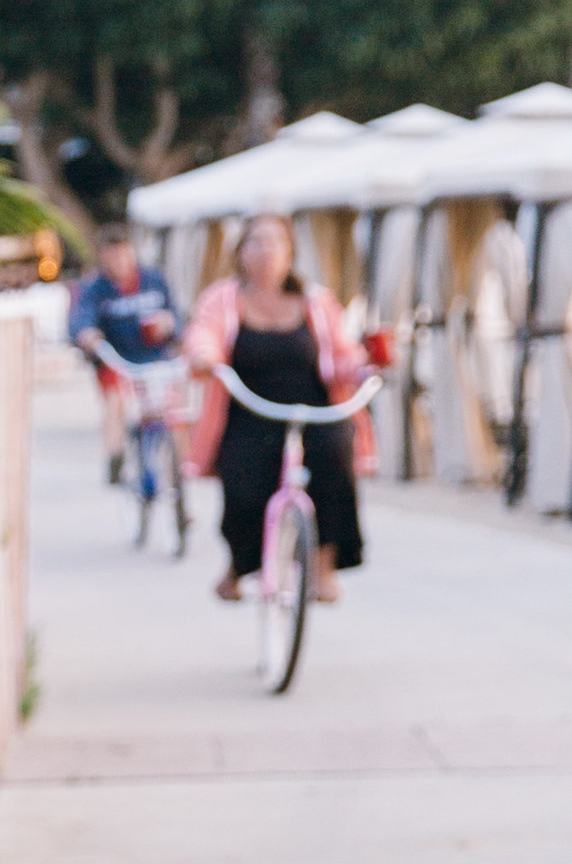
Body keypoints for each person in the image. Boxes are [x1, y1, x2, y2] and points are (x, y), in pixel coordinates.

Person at [183, 211, 372, 603]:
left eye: (276, 242)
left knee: (335, 459)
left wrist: (365, 365)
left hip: (312, 408)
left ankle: (323, 567)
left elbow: (343, 351)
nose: (267, 251)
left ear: (290, 252)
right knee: (244, 486)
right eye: (257, 241)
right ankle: (239, 564)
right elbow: (204, 335)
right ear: (241, 252)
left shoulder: (316, 302)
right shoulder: (222, 299)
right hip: (249, 409)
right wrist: (204, 357)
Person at [69, 224, 178, 479]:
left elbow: (176, 315)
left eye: (123, 253)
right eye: (112, 255)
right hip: (116, 360)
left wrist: (170, 323)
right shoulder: (95, 288)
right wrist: (88, 335)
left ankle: (179, 469)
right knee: (115, 400)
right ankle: (115, 454)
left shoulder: (154, 279)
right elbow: (81, 321)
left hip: (154, 358)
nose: (119, 261)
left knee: (172, 408)